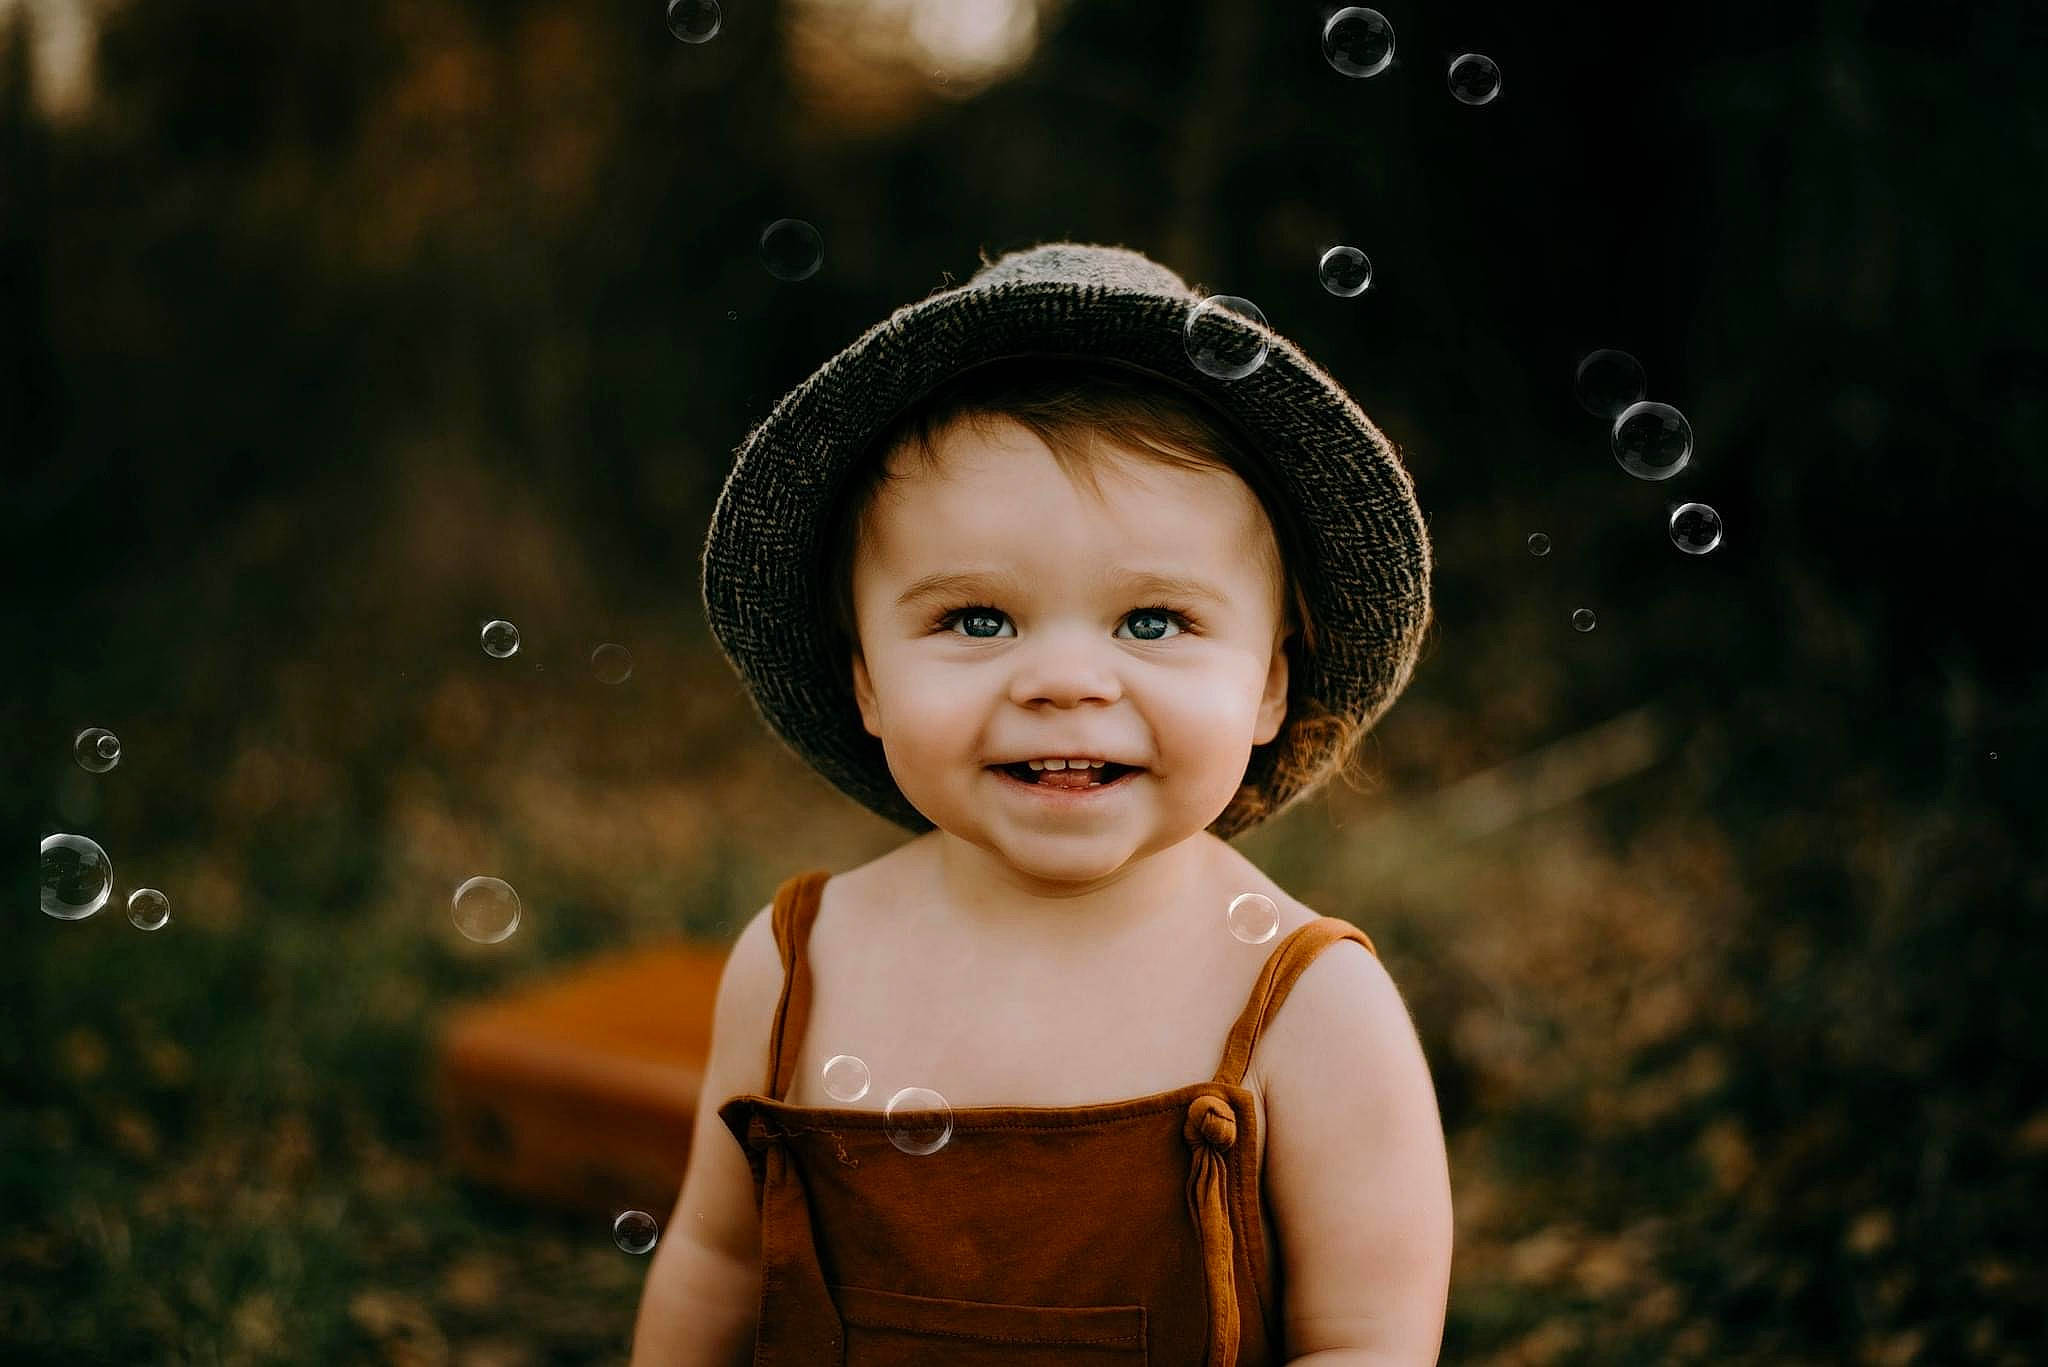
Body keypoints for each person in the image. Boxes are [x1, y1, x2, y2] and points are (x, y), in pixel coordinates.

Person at [630, 242, 1452, 1366]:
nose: (1064, 680)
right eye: (975, 618)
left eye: (1152, 620)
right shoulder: (793, 965)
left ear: (1269, 679)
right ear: (865, 675)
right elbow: (717, 1266)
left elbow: (1364, 1341)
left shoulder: (1311, 1006)